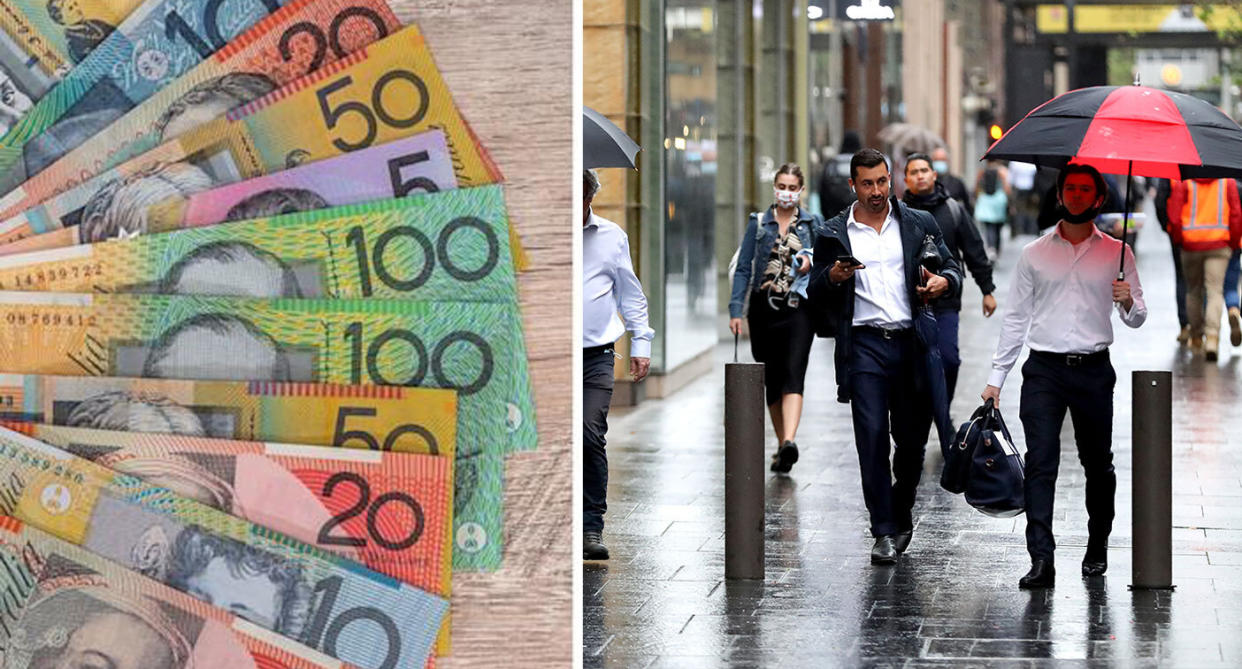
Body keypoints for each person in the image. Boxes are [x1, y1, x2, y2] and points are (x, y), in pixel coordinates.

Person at [981, 163, 1146, 589]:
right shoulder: (1034, 253)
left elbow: (1138, 319)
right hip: (1044, 372)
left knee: (1098, 464)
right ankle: (1041, 558)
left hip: (1093, 370)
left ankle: (1097, 545)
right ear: (1059, 194)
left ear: (1098, 198)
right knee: (1040, 463)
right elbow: (1015, 318)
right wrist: (996, 379)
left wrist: (1127, 302)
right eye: (1069, 188)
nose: (1075, 195)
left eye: (1084, 189)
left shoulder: (1119, 253)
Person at [806, 148, 961, 565]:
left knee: (910, 443)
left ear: (891, 179)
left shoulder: (917, 223)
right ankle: (883, 530)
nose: (876, 191)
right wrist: (833, 278)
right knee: (871, 438)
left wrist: (944, 282)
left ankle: (902, 505)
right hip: (864, 346)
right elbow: (815, 293)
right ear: (853, 185)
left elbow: (951, 267)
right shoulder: (833, 233)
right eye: (867, 183)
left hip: (912, 343)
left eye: (882, 181)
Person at [729, 162, 821, 474]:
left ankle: (790, 440)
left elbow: (825, 262)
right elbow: (743, 269)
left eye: (793, 187)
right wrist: (735, 311)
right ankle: (783, 445)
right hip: (762, 309)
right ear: (774, 187)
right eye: (782, 186)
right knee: (772, 378)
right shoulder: (758, 223)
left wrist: (811, 262)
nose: (786, 192)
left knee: (794, 370)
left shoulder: (812, 223)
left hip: (798, 308)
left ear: (801, 190)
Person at [582, 169, 653, 560]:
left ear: (590, 195)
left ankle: (591, 527)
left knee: (590, 434)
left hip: (596, 356)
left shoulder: (611, 237)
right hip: (548, 356)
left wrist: (641, 342)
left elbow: (631, 294)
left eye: (576, 192)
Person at [902, 153, 997, 406]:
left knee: (949, 359)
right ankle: (923, 413)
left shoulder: (953, 210)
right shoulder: (898, 213)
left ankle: (942, 407)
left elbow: (974, 248)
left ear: (934, 175)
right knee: (913, 366)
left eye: (924, 170)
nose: (920, 175)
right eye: (914, 172)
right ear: (905, 179)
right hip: (907, 303)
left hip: (945, 301)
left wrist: (987, 290)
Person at [1167, 177, 1242, 360]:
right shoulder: (1227, 183)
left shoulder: (1184, 182)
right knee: (1215, 291)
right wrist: (1232, 243)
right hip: (1219, 244)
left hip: (1190, 245)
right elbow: (1236, 214)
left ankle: (1196, 337)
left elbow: (1174, 216)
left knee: (1193, 292)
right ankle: (1212, 339)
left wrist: (1179, 240)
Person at [1152, 177, 1190, 343]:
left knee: (1182, 278)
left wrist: (1167, 227)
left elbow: (1160, 201)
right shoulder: (1212, 169)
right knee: (1204, 284)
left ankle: (1184, 326)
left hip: (1179, 235)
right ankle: (1202, 328)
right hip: (1212, 235)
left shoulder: (1172, 174)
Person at [818, 130, 861, 220]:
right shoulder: (863, 164)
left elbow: (822, 190)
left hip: (834, 215)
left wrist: (826, 215)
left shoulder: (832, 164)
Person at [974, 159, 1011, 258]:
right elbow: (1007, 188)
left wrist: (977, 197)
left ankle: (991, 247)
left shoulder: (982, 171)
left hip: (986, 202)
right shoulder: (1002, 171)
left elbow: (977, 186)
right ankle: (996, 250)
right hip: (998, 202)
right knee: (998, 228)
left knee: (989, 227)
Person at [930, 146, 972, 211]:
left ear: (948, 161)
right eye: (937, 160)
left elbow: (968, 205)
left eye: (942, 160)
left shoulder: (957, 183)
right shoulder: (927, 183)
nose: (939, 163)